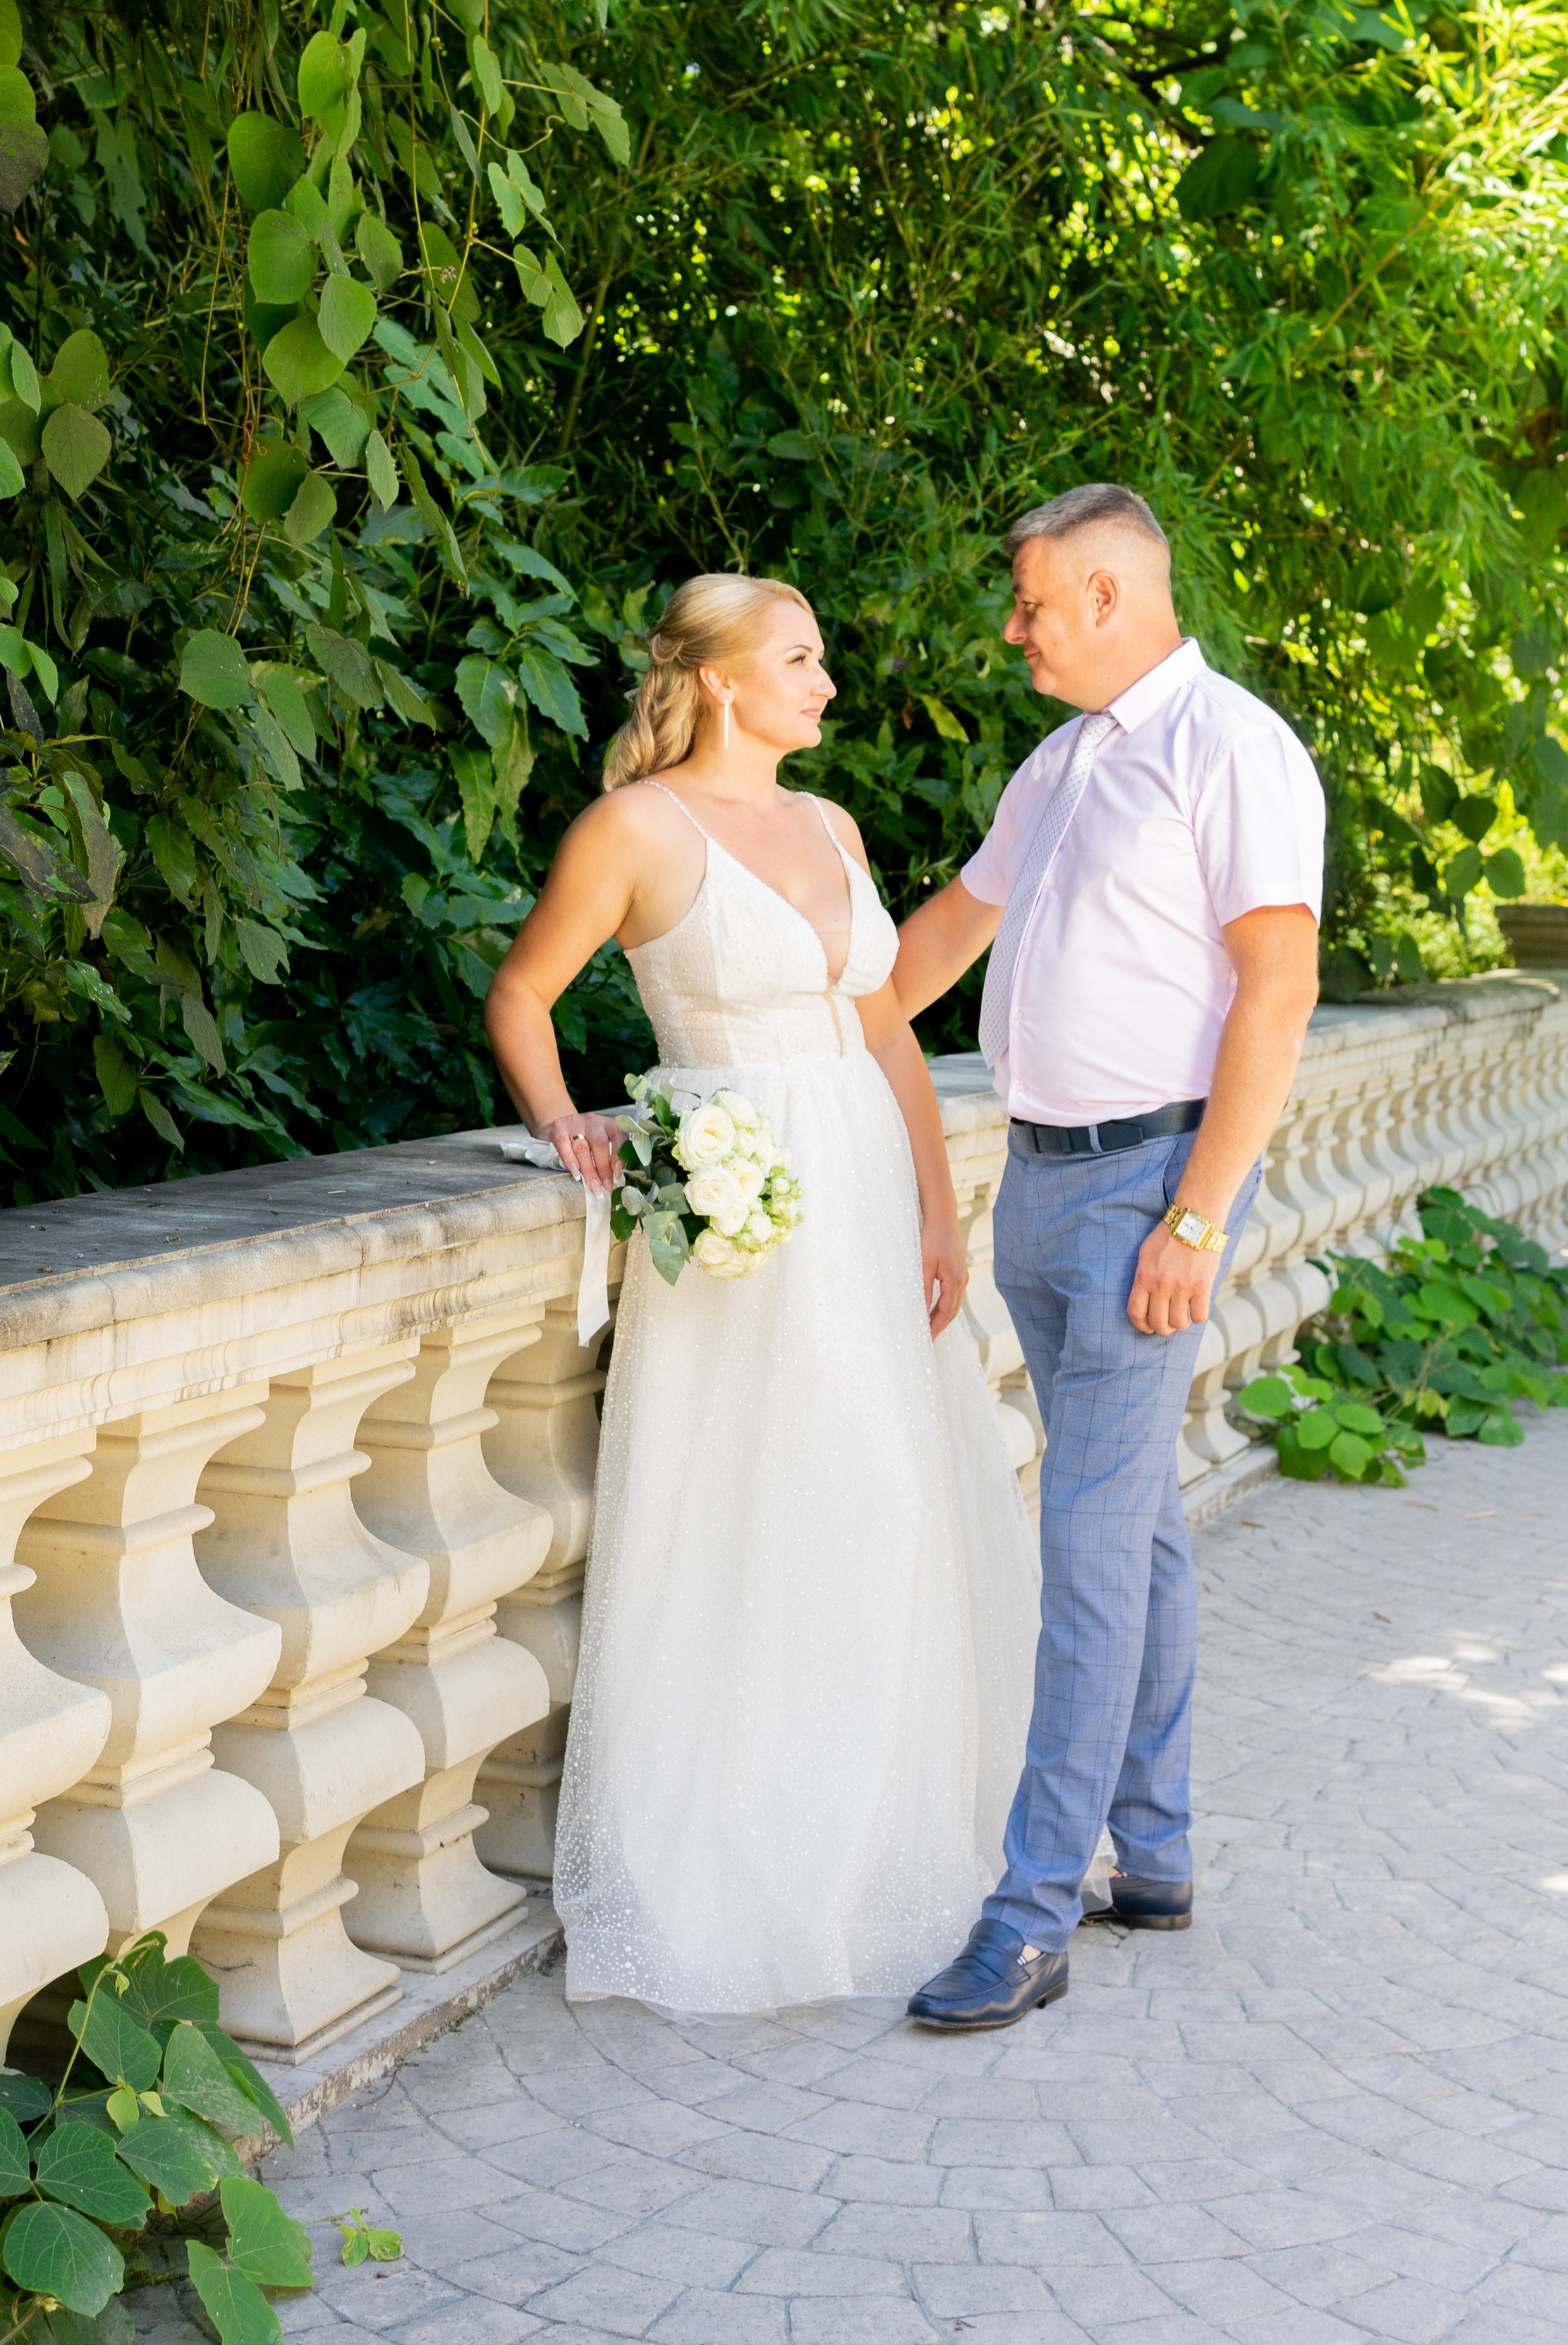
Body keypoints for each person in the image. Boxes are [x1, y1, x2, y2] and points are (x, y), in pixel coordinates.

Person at [485, 573, 1042, 2014]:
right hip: (736, 1209)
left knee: (879, 1498)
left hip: (857, 1186)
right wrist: (571, 1128)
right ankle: (731, 1863)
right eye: (799, 659)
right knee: (747, 1507)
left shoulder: (830, 826)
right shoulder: (633, 829)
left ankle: (872, 1848)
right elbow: (522, 993)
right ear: (721, 680)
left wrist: (935, 1206)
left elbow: (885, 1034)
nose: (825, 682)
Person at [893, 484, 1324, 2034]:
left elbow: (1273, 997)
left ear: (1099, 592)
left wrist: (1197, 1220)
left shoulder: (1233, 751)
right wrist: (784, 1011)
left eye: (1025, 603)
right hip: (1039, 1185)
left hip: (1151, 1183)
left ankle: (1026, 1915)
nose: (1009, 629)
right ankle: (1151, 1855)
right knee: (1128, 1532)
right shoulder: (1064, 763)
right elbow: (947, 932)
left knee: (1079, 1546)